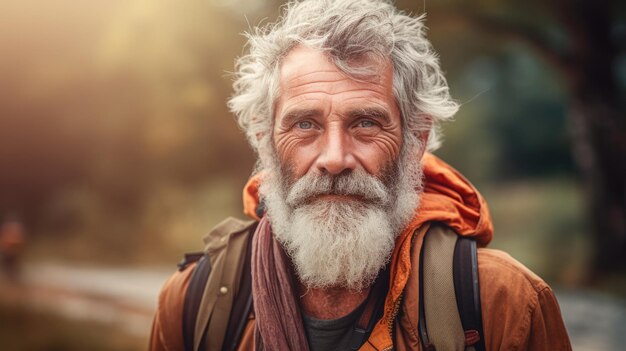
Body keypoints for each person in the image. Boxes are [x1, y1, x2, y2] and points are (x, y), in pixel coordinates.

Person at [150, 0, 571, 350]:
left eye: (366, 123)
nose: (334, 158)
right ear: (264, 142)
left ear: (415, 142)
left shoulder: (506, 304)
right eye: (304, 125)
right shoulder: (192, 302)